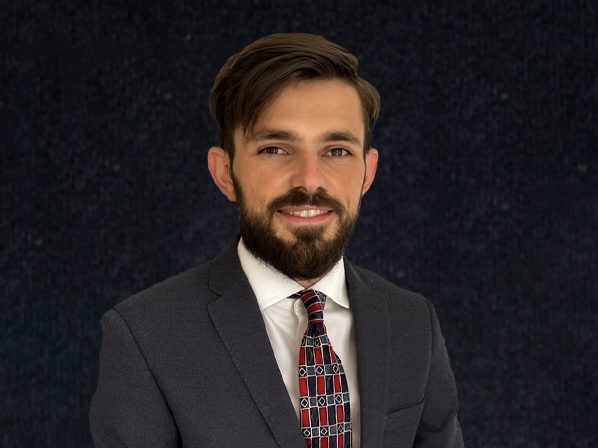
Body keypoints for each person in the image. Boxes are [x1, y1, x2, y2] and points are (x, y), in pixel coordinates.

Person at [89, 33, 464, 448]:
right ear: (225, 173)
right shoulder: (145, 336)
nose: (309, 180)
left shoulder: (413, 323)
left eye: (337, 150)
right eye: (274, 149)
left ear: (367, 173)